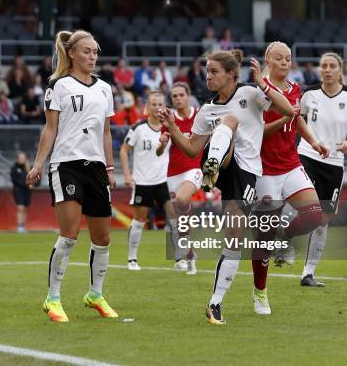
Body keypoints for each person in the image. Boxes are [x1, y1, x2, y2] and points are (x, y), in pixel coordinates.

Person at [157, 49, 294, 325]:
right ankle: (212, 168)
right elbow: (192, 148)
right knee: (227, 122)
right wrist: (172, 129)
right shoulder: (207, 110)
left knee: (233, 240)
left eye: (213, 71)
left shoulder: (250, 93)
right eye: (207, 71)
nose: (208, 76)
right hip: (223, 164)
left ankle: (215, 304)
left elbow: (289, 110)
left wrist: (263, 83)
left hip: (246, 174)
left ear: (231, 73)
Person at [26, 30, 117, 323]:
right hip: (66, 165)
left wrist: (110, 168)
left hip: (97, 168)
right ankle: (53, 299)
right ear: (73, 54)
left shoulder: (105, 88)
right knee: (69, 235)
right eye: (87, 51)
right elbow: (50, 128)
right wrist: (38, 164)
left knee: (103, 238)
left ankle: (95, 294)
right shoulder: (58, 85)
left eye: (95, 52)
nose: (92, 57)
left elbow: (105, 132)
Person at [250, 42, 328, 312]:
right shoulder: (257, 92)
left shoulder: (295, 89)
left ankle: (284, 240)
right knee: (263, 235)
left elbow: (298, 121)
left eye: (288, 59)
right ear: (268, 61)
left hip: (291, 164)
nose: (285, 62)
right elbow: (259, 133)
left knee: (315, 214)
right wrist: (284, 119)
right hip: (265, 171)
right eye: (279, 58)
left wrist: (314, 142)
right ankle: (260, 293)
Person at [296, 53, 347, 285]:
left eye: (332, 66)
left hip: (335, 163)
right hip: (307, 154)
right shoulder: (309, 93)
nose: (327, 70)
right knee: (302, 203)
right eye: (323, 66)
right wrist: (311, 142)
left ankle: (308, 273)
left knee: (323, 220)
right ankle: (280, 241)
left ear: (340, 70)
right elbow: (299, 121)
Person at [120, 92, 172, 270]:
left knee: (174, 216)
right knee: (140, 219)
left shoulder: (170, 127)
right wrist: (127, 175)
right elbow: (124, 150)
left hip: (164, 179)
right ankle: (132, 259)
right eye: (154, 104)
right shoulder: (138, 128)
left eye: (161, 104)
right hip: (143, 181)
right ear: (147, 108)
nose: (158, 108)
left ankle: (180, 259)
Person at [157, 82, 204, 274]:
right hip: (173, 173)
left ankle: (189, 249)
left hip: (194, 169)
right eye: (174, 96)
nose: (177, 99)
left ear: (188, 95)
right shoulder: (169, 119)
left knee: (183, 200)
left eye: (180, 95)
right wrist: (161, 143)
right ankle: (191, 254)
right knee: (178, 222)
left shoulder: (200, 115)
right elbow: (160, 152)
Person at [11, 152, 32, 233]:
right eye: (20, 158)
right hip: (18, 190)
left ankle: (23, 226)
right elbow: (14, 180)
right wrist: (26, 184)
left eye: (23, 158)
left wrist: (33, 184)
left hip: (27, 191)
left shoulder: (29, 167)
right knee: (20, 208)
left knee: (25, 209)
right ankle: (19, 226)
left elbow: (35, 178)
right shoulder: (14, 168)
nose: (22, 160)